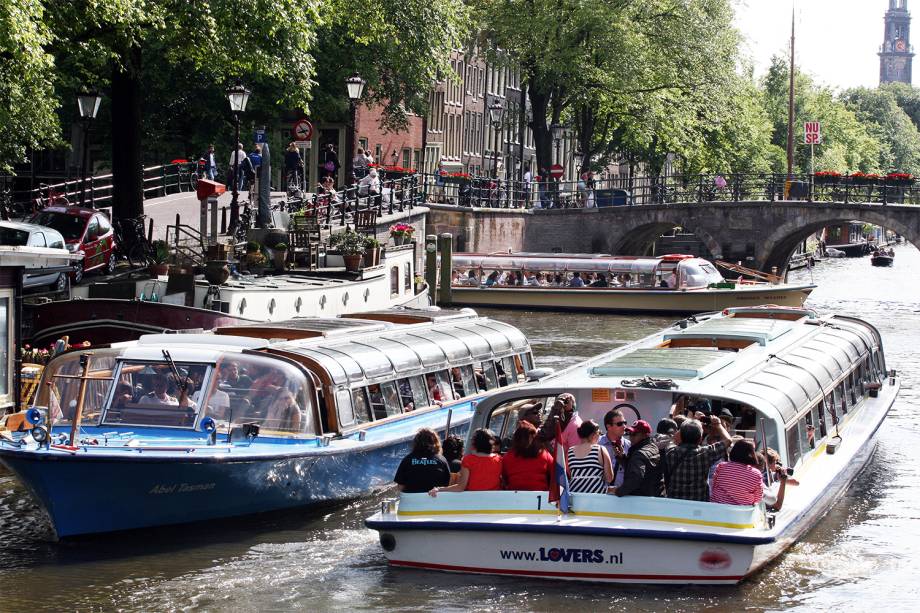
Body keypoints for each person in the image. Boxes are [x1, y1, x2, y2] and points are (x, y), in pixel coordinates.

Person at [663, 417, 731, 501]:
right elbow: (728, 440)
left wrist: (689, 423)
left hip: (675, 501)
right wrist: (718, 424)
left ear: (681, 435)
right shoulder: (706, 453)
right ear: (700, 439)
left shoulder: (671, 452)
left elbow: (672, 439)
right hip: (699, 503)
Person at [430, 428, 502, 495]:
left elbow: (461, 487)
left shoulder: (468, 460)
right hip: (494, 500)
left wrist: (439, 489)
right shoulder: (499, 459)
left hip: (472, 499)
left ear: (475, 443)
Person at [610, 420, 664, 497]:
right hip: (655, 498)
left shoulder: (639, 454)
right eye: (630, 433)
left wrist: (618, 491)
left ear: (645, 435)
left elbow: (635, 478)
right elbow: (646, 471)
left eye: (634, 434)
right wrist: (622, 458)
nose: (630, 437)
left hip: (641, 501)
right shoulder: (654, 447)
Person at [394, 428, 451, 493]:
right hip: (435, 500)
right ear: (436, 442)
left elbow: (400, 486)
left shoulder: (407, 459)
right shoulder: (441, 459)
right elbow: (447, 483)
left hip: (412, 500)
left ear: (416, 442)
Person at [709, 439, 765, 506]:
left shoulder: (721, 466)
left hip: (717, 507)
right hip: (741, 512)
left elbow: (714, 485)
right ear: (751, 454)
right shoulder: (756, 474)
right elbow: (758, 498)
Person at [502, 421, 553, 491]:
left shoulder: (507, 457)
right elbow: (555, 474)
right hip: (540, 498)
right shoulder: (544, 454)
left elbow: (504, 479)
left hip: (513, 497)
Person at [566, 420, 613, 493]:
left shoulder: (570, 451)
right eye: (599, 433)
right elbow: (609, 478)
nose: (599, 436)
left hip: (575, 494)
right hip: (595, 495)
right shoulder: (600, 449)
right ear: (593, 435)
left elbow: (568, 473)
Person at [599, 408, 630, 487]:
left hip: (622, 495)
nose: (624, 426)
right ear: (609, 426)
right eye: (620, 424)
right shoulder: (597, 444)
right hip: (600, 494)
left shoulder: (629, 446)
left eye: (625, 423)